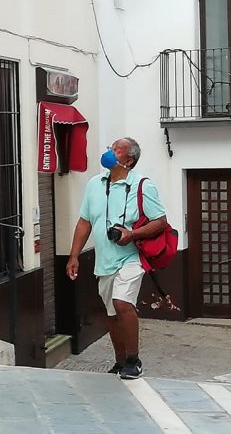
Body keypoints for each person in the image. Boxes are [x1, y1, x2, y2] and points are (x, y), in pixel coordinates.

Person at [66, 137, 167, 380]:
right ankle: (120, 361)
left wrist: (132, 234)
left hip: (131, 257)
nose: (109, 152)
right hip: (105, 261)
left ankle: (134, 359)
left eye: (116, 149)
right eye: (110, 147)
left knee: (122, 303)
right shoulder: (94, 184)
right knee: (112, 314)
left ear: (128, 159)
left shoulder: (143, 185)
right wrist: (74, 256)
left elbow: (160, 221)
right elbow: (84, 222)